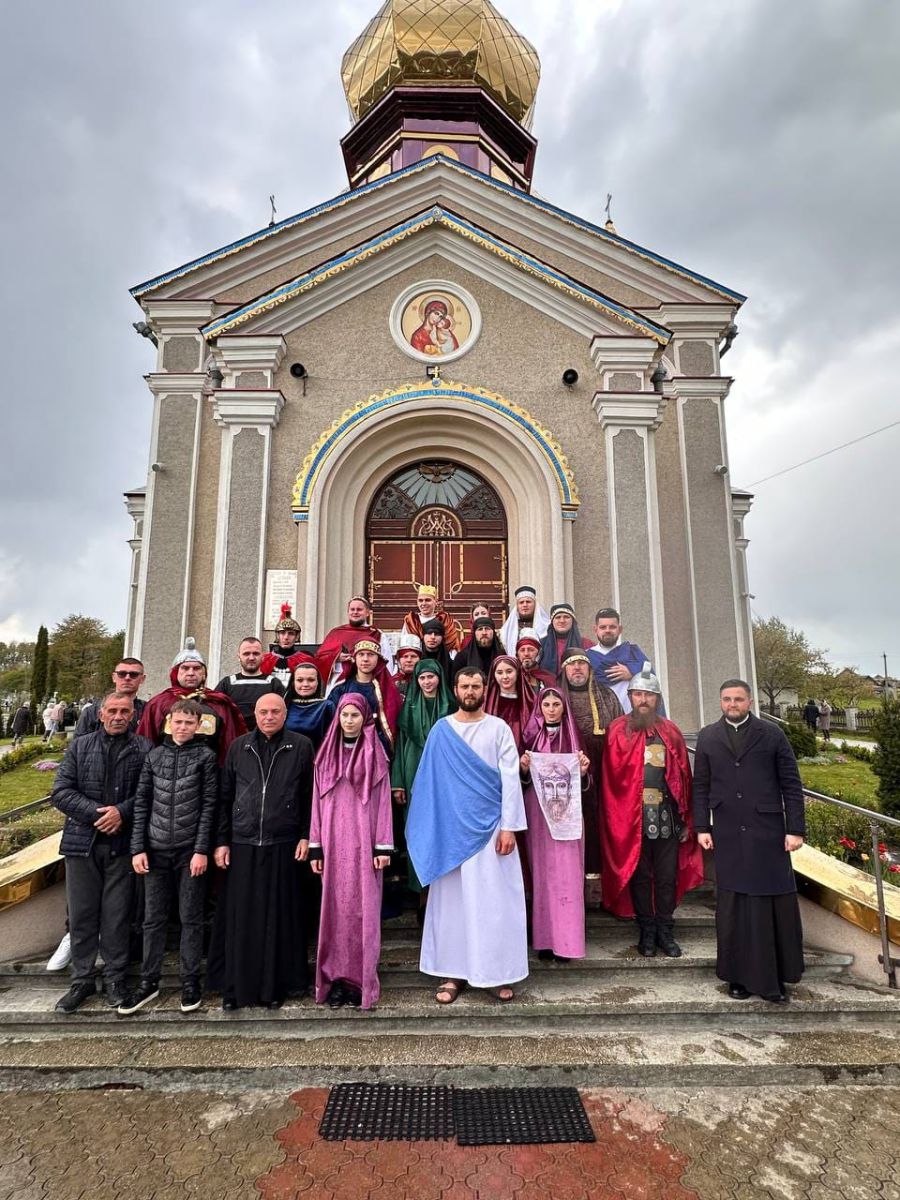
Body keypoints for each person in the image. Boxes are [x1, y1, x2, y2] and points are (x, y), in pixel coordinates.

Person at [407, 667, 529, 1003]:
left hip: (491, 832)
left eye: (476, 685)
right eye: (465, 686)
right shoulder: (441, 731)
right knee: (453, 907)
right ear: (455, 689)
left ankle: (495, 973)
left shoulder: (498, 728)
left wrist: (509, 826)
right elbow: (428, 785)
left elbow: (509, 779)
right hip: (450, 833)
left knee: (492, 904)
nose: (470, 691)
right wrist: (432, 833)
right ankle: (452, 973)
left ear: (484, 689)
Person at [693, 679, 806, 1003]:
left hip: (767, 833)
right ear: (720, 701)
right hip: (727, 832)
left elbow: (791, 785)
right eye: (727, 699)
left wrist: (795, 829)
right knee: (733, 909)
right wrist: (702, 826)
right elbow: (701, 785)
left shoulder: (772, 734)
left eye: (738, 699)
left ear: (750, 701)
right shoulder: (708, 736)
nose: (733, 704)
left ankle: (775, 980)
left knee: (771, 906)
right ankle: (737, 978)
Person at [211, 694, 314, 1010]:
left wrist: (306, 836)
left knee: (278, 919)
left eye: (275, 712)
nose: (269, 717)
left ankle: (276, 986)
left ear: (285, 714)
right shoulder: (239, 746)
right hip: (243, 843)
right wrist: (221, 840)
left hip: (283, 842)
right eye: (263, 712)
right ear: (254, 714)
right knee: (243, 920)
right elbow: (226, 797)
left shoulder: (301, 745)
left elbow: (310, 795)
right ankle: (237, 988)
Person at [50, 692, 152, 1013]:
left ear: (134, 716)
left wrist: (121, 812)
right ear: (101, 714)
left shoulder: (144, 749)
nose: (119, 716)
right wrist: (98, 814)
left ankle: (115, 979)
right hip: (83, 843)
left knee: (117, 916)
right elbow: (61, 792)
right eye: (113, 710)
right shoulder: (80, 746)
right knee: (82, 916)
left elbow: (148, 794)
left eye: (125, 711)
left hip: (122, 845)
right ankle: (81, 980)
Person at [118, 699, 218, 1015]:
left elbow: (208, 806)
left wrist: (201, 849)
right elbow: (142, 803)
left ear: (198, 725)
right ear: (169, 722)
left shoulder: (206, 757)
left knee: (190, 918)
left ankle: (190, 980)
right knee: (153, 919)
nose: (183, 727)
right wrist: (138, 848)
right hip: (156, 849)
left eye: (189, 722)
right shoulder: (154, 756)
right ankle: (149, 981)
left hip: (190, 851)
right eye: (178, 721)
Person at [601, 665, 703, 958]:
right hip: (632, 818)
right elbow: (613, 779)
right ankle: (646, 931)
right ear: (630, 697)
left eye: (649, 695)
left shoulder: (671, 731)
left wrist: (687, 819)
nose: (643, 700)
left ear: (657, 699)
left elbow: (684, 777)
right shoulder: (617, 730)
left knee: (667, 876)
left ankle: (665, 930)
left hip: (668, 817)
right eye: (638, 694)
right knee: (641, 875)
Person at [309, 695, 395, 1010]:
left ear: (365, 718)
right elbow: (316, 805)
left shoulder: (376, 754)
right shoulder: (325, 756)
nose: (349, 721)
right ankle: (335, 980)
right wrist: (315, 846)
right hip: (332, 846)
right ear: (338, 718)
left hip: (365, 844)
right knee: (334, 914)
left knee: (364, 913)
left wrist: (383, 845)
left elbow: (384, 802)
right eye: (345, 715)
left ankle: (361, 980)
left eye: (355, 715)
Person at [520, 689, 591, 962]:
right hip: (538, 816)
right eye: (546, 704)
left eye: (556, 704)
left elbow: (586, 782)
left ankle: (568, 942)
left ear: (564, 707)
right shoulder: (530, 737)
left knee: (568, 876)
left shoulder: (574, 738)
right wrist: (524, 768)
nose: (551, 709)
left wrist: (583, 772)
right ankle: (545, 941)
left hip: (568, 817)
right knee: (543, 876)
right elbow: (519, 779)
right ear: (539, 708)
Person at [391, 658, 456, 894]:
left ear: (439, 678)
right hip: (413, 768)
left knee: (443, 824)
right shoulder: (408, 708)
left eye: (431, 676)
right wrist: (398, 783)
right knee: (417, 825)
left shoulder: (451, 706)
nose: (427, 682)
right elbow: (400, 746)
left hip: (443, 772)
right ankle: (419, 888)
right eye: (422, 678)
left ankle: (444, 886)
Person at [559, 647, 623, 880]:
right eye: (572, 664)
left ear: (589, 668)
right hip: (565, 774)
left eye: (582, 663)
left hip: (603, 771)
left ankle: (601, 882)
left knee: (601, 824)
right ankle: (569, 880)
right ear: (564, 669)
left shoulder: (607, 696)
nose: (577, 668)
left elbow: (621, 735)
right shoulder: (555, 697)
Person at [137, 639, 246, 764]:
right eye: (185, 668)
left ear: (204, 673)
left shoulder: (218, 703)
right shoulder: (158, 704)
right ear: (175, 672)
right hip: (166, 775)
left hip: (208, 775)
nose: (191, 673)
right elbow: (146, 743)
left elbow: (228, 746)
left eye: (196, 668)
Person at [329, 638, 403, 757]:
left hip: (376, 749)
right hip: (346, 748)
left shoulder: (387, 690)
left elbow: (393, 725)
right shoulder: (341, 689)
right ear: (354, 658)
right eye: (361, 654)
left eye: (370, 655)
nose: (365, 659)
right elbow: (331, 721)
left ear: (378, 659)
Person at [587, 608, 658, 714]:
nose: (607, 630)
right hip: (599, 716)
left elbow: (650, 676)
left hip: (631, 716)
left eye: (612, 627)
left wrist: (633, 673)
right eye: (603, 627)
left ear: (620, 629)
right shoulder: (586, 656)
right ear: (595, 629)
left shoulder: (632, 652)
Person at [315, 596, 395, 688]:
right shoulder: (336, 633)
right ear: (348, 612)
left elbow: (386, 661)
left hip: (368, 682)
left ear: (368, 613)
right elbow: (320, 657)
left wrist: (386, 686)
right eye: (352, 609)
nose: (355, 612)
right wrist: (336, 657)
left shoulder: (377, 634)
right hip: (339, 683)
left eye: (359, 609)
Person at [215, 637, 285, 730]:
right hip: (235, 739)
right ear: (239, 656)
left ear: (263, 656)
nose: (251, 658)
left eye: (256, 653)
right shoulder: (227, 684)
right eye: (246, 654)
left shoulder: (274, 683)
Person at [76, 659, 147, 736]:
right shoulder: (91, 712)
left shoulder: (148, 711)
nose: (127, 678)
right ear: (114, 677)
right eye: (122, 674)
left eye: (133, 674)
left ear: (142, 679)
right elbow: (79, 745)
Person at [484, 655, 535, 752]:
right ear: (494, 674)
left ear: (517, 672)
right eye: (499, 672)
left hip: (523, 752)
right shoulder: (486, 701)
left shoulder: (530, 699)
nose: (505, 677)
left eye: (509, 671)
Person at [283, 660, 335, 750]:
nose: (305, 684)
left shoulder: (327, 706)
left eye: (311, 680)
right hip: (288, 759)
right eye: (300, 680)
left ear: (318, 682)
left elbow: (333, 740)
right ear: (293, 682)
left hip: (317, 759)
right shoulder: (285, 705)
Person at [539, 604, 591, 678]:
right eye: (558, 617)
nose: (562, 621)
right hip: (548, 687)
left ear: (573, 621)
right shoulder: (541, 645)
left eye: (566, 617)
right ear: (552, 622)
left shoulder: (586, 644)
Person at [403, 585, 460, 652]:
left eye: (427, 600)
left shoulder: (445, 620)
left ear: (435, 601)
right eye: (420, 600)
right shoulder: (411, 621)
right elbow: (405, 646)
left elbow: (452, 646)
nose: (423, 603)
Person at [260, 605, 306, 688]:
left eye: (291, 633)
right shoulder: (264, 660)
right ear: (277, 635)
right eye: (282, 633)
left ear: (296, 636)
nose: (286, 637)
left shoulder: (305, 660)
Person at [499, 586, 550, 653]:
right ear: (517, 606)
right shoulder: (506, 630)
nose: (525, 605)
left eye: (528, 602)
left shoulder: (547, 626)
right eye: (521, 602)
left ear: (535, 605)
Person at [392, 632, 423, 697]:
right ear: (398, 660)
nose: (409, 660)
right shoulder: (390, 683)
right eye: (405, 656)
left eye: (413, 656)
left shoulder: (426, 681)